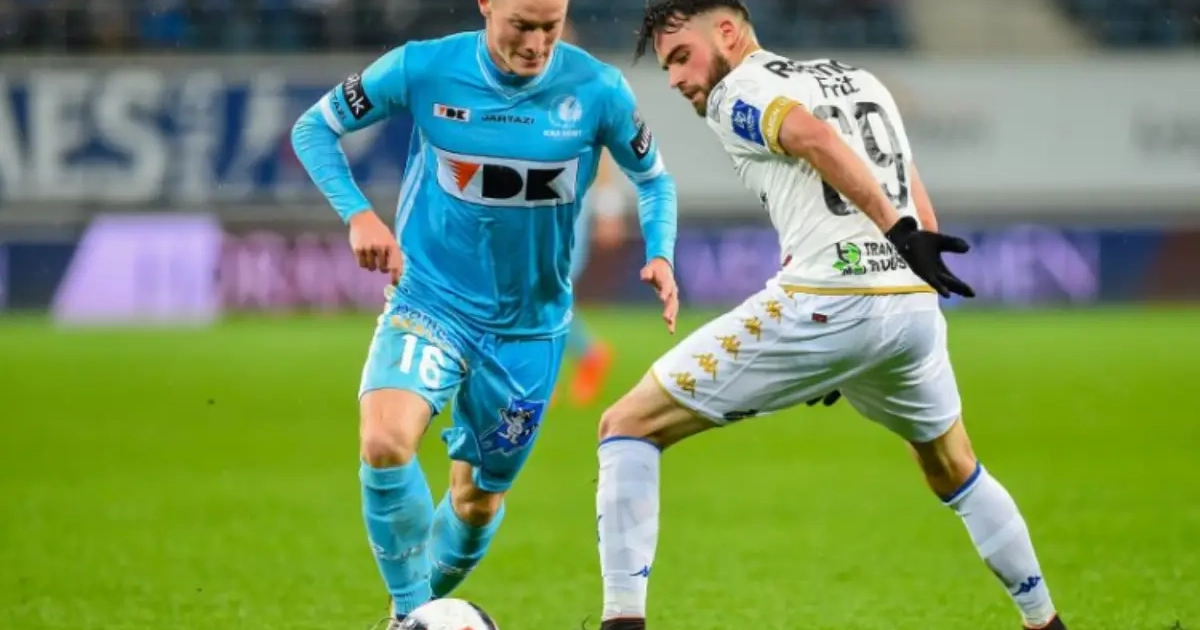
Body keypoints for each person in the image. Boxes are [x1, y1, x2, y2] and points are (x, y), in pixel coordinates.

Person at [592, 2, 1066, 630]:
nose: (677, 79)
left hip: (830, 297)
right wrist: (911, 247)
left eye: (682, 56)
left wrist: (896, 236)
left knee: (626, 425)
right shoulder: (860, 80)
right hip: (909, 303)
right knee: (955, 467)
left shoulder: (737, 92)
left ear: (727, 32)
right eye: (667, 67)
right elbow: (910, 193)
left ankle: (621, 622)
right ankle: (1045, 621)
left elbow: (812, 138)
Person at [289, 0, 681, 625]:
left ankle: (406, 616)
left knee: (475, 502)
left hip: (530, 330)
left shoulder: (599, 90)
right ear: (486, 5)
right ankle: (413, 615)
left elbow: (654, 179)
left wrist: (659, 252)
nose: (536, 44)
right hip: (431, 301)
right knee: (386, 442)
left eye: (550, 27)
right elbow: (313, 129)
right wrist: (358, 214)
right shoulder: (423, 68)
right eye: (521, 26)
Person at [559, 20, 628, 408]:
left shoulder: (583, 96)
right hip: (533, 207)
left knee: (548, 290)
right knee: (538, 293)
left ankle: (582, 357)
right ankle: (578, 358)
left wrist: (608, 210)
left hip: (571, 207)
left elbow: (603, 157)